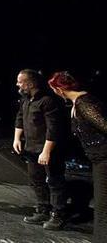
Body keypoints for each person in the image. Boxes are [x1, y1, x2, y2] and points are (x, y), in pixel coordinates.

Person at [49, 71, 107, 239]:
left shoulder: (84, 103)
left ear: (59, 90)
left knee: (103, 208)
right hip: (98, 159)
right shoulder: (78, 103)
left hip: (104, 159)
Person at [14, 68, 68, 230]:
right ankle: (43, 209)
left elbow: (53, 128)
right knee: (36, 180)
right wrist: (17, 138)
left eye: (20, 81)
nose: (17, 84)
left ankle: (58, 214)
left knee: (54, 181)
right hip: (31, 147)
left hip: (48, 148)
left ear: (30, 83)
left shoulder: (47, 100)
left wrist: (46, 151)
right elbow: (20, 117)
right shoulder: (25, 99)